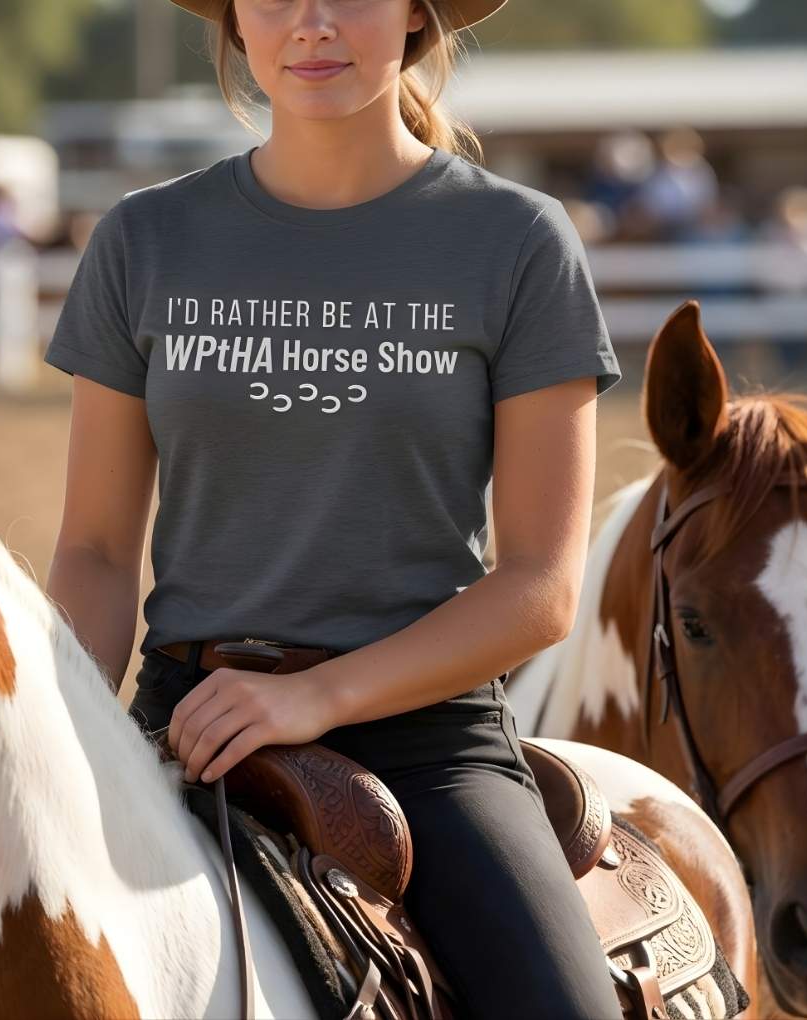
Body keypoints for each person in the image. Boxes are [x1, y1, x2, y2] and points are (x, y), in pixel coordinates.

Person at [42, 0, 624, 1015]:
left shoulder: (518, 241)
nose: (312, 22)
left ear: (412, 14)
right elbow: (93, 552)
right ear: (233, 22)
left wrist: (317, 699)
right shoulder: (144, 240)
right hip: (187, 725)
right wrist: (62, 746)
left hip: (429, 741)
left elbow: (541, 587)